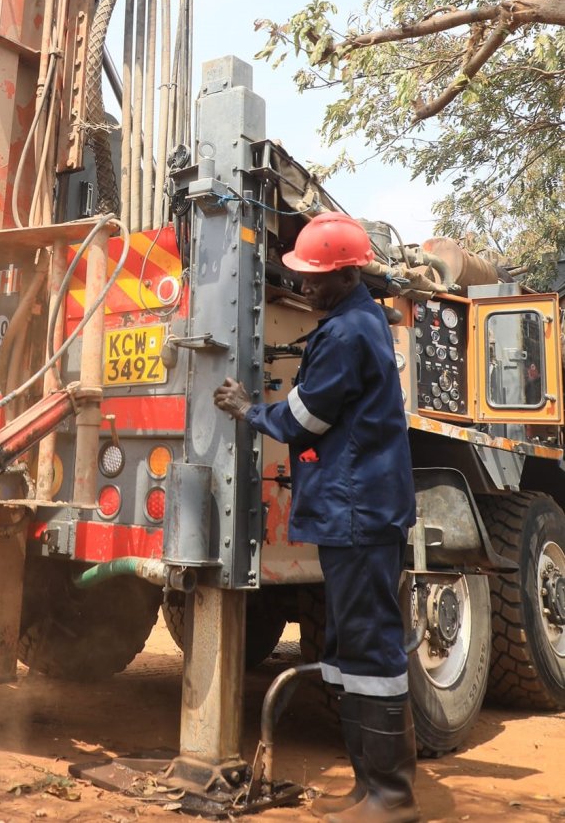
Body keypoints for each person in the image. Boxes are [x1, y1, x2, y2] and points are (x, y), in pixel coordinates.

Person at [213, 211, 418, 823]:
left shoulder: (348, 334)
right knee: (352, 644)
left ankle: (392, 797)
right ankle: (371, 788)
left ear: (348, 273)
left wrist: (251, 410)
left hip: (358, 508)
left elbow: (304, 420)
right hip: (356, 507)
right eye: (301, 274)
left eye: (315, 278)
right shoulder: (357, 320)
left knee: (372, 647)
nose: (302, 285)